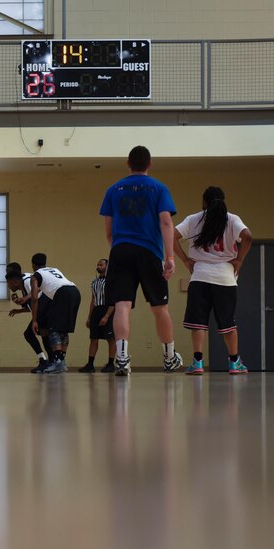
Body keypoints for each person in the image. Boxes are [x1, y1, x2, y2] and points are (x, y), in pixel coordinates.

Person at [100, 145, 183, 376]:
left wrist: (119, 249)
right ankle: (169, 357)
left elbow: (108, 230)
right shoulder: (159, 188)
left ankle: (123, 359)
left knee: (122, 306)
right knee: (159, 307)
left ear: (128, 163)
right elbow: (166, 223)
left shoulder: (113, 190)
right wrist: (169, 257)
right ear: (150, 164)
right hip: (149, 251)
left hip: (120, 250)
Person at [174, 186, 252, 375]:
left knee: (198, 323)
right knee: (228, 324)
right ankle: (234, 363)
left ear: (204, 202)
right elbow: (248, 237)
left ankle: (198, 363)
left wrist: (185, 259)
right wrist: (240, 259)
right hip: (225, 277)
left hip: (200, 275)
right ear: (223, 200)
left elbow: (171, 236)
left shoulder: (194, 219)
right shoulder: (232, 219)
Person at [30, 263, 81, 374]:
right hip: (75, 292)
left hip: (62, 293)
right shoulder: (54, 269)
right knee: (63, 329)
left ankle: (58, 362)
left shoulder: (36, 275)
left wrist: (34, 320)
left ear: (33, 265)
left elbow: (34, 298)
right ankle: (61, 361)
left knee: (53, 328)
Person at [5, 261, 50, 373]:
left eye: (9, 273)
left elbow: (38, 291)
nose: (7, 277)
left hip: (47, 307)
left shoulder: (27, 281)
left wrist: (25, 299)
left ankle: (48, 361)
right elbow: (32, 306)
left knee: (40, 333)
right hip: (43, 308)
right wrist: (19, 309)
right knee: (34, 333)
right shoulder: (24, 281)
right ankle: (47, 360)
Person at [78, 258, 116, 373]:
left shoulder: (111, 281)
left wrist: (106, 316)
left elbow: (113, 300)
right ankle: (90, 365)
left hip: (108, 309)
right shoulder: (94, 282)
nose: (98, 266)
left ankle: (110, 364)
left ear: (107, 267)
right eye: (97, 265)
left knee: (110, 338)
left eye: (101, 265)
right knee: (93, 338)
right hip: (97, 310)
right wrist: (89, 317)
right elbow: (93, 300)